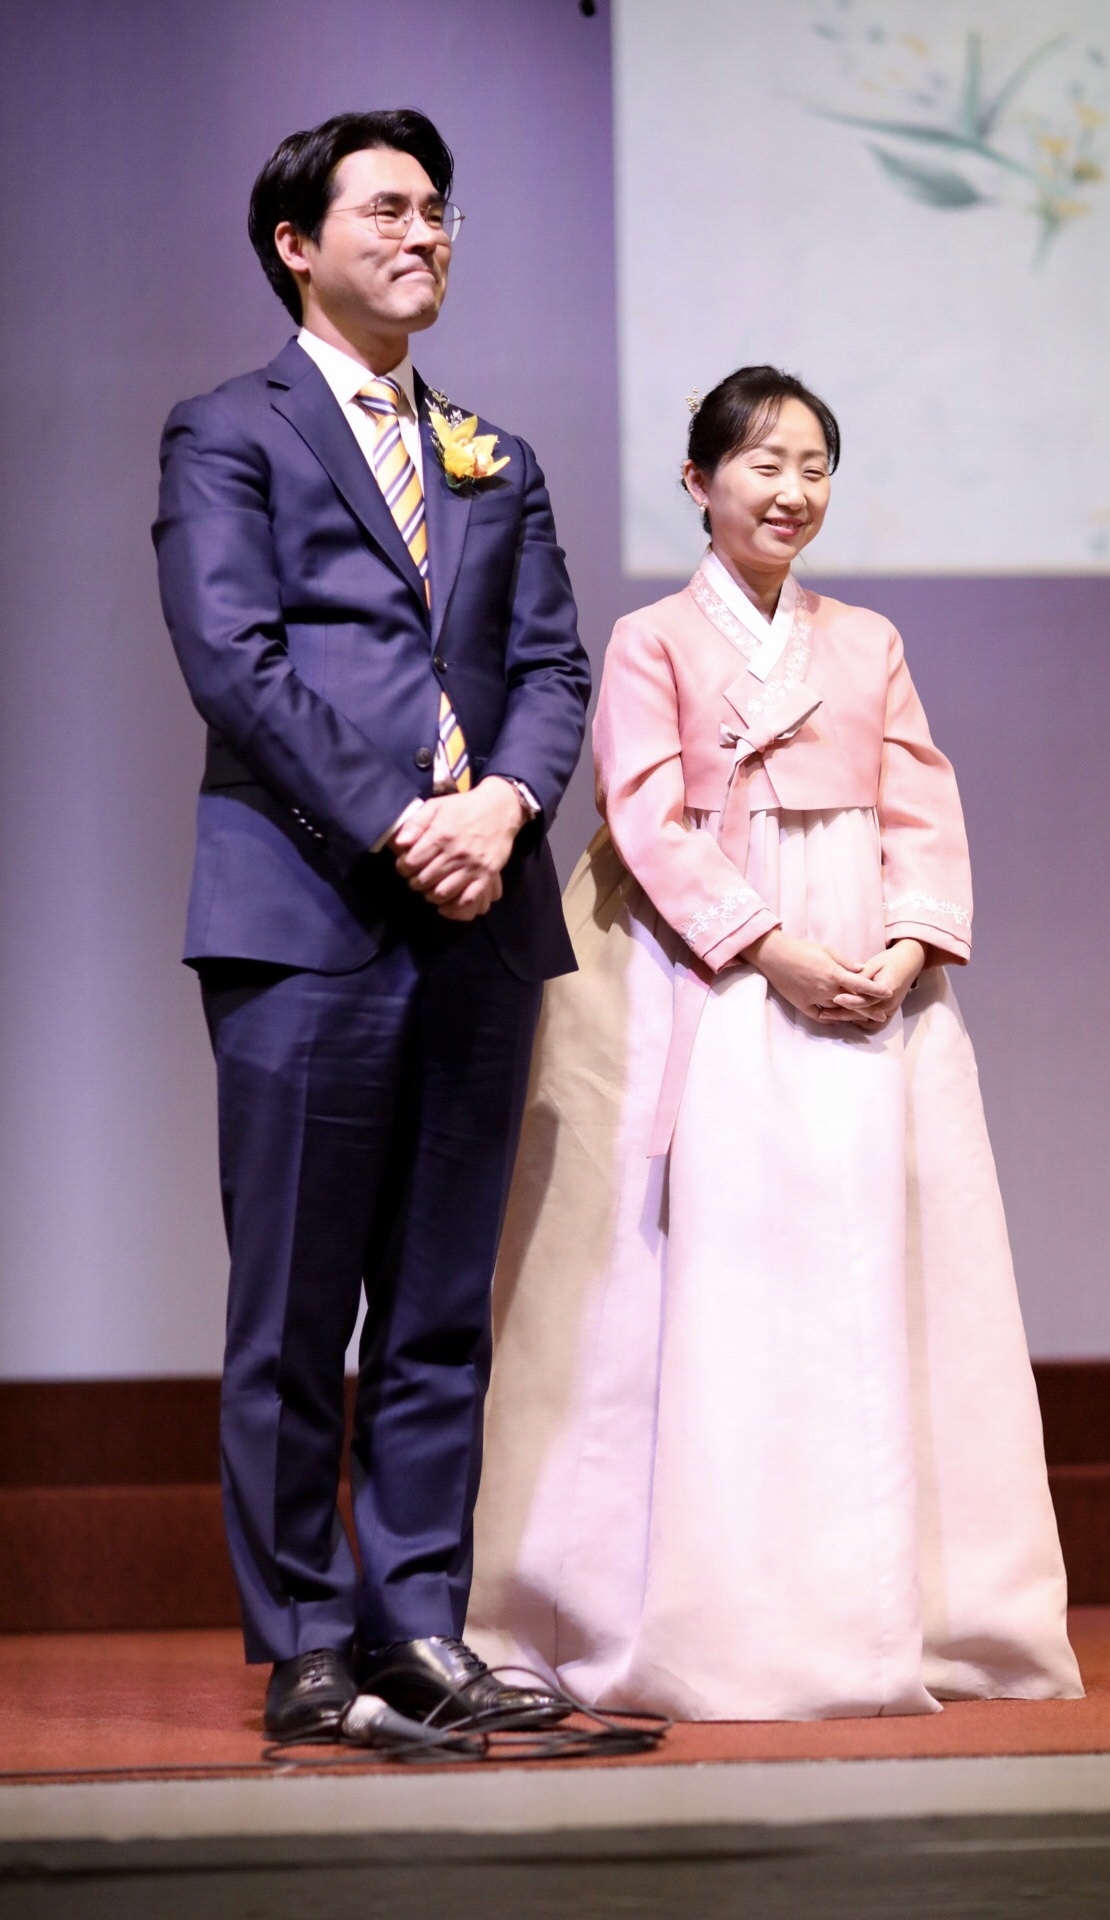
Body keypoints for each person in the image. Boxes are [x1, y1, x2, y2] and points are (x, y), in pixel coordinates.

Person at [465, 366, 1082, 1719]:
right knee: (699, 1278)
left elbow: (918, 804)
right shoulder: (651, 640)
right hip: (708, 972)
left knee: (869, 1275)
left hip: (865, 973)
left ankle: (894, 1612)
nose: (791, 490)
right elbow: (642, 814)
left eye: (813, 466)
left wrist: (906, 949)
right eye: (762, 463)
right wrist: (771, 949)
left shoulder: (866, 640)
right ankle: (703, 1615)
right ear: (698, 484)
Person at [153, 109, 590, 1738]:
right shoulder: (227, 431)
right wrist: (407, 816)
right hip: (307, 911)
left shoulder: (494, 453)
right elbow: (233, 659)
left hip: (479, 917)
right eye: (389, 210)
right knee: (291, 1304)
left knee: (436, 1308)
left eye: (439, 211)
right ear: (298, 244)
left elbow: (551, 667)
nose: (426, 235)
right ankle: (306, 1641)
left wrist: (505, 806)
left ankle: (419, 1622)